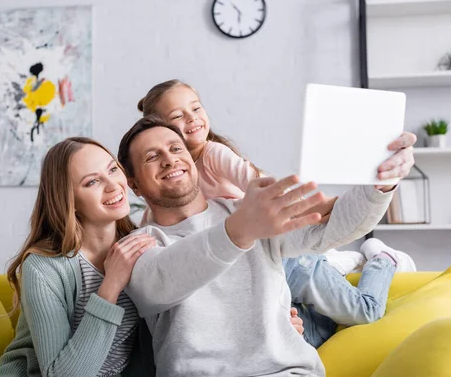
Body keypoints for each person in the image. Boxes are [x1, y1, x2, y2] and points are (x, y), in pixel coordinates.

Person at [135, 79, 417, 347]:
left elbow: (257, 183)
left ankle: (379, 260)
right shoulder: (157, 234)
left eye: (196, 108)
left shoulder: (213, 156)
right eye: (178, 116)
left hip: (280, 253)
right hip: (254, 261)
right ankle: (331, 264)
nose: (192, 118)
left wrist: (309, 206)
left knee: (363, 311)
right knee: (305, 325)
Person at [0, 137, 155, 377]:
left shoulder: (142, 244)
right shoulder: (44, 267)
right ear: (69, 200)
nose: (113, 185)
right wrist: (110, 286)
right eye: (92, 181)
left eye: (112, 169)